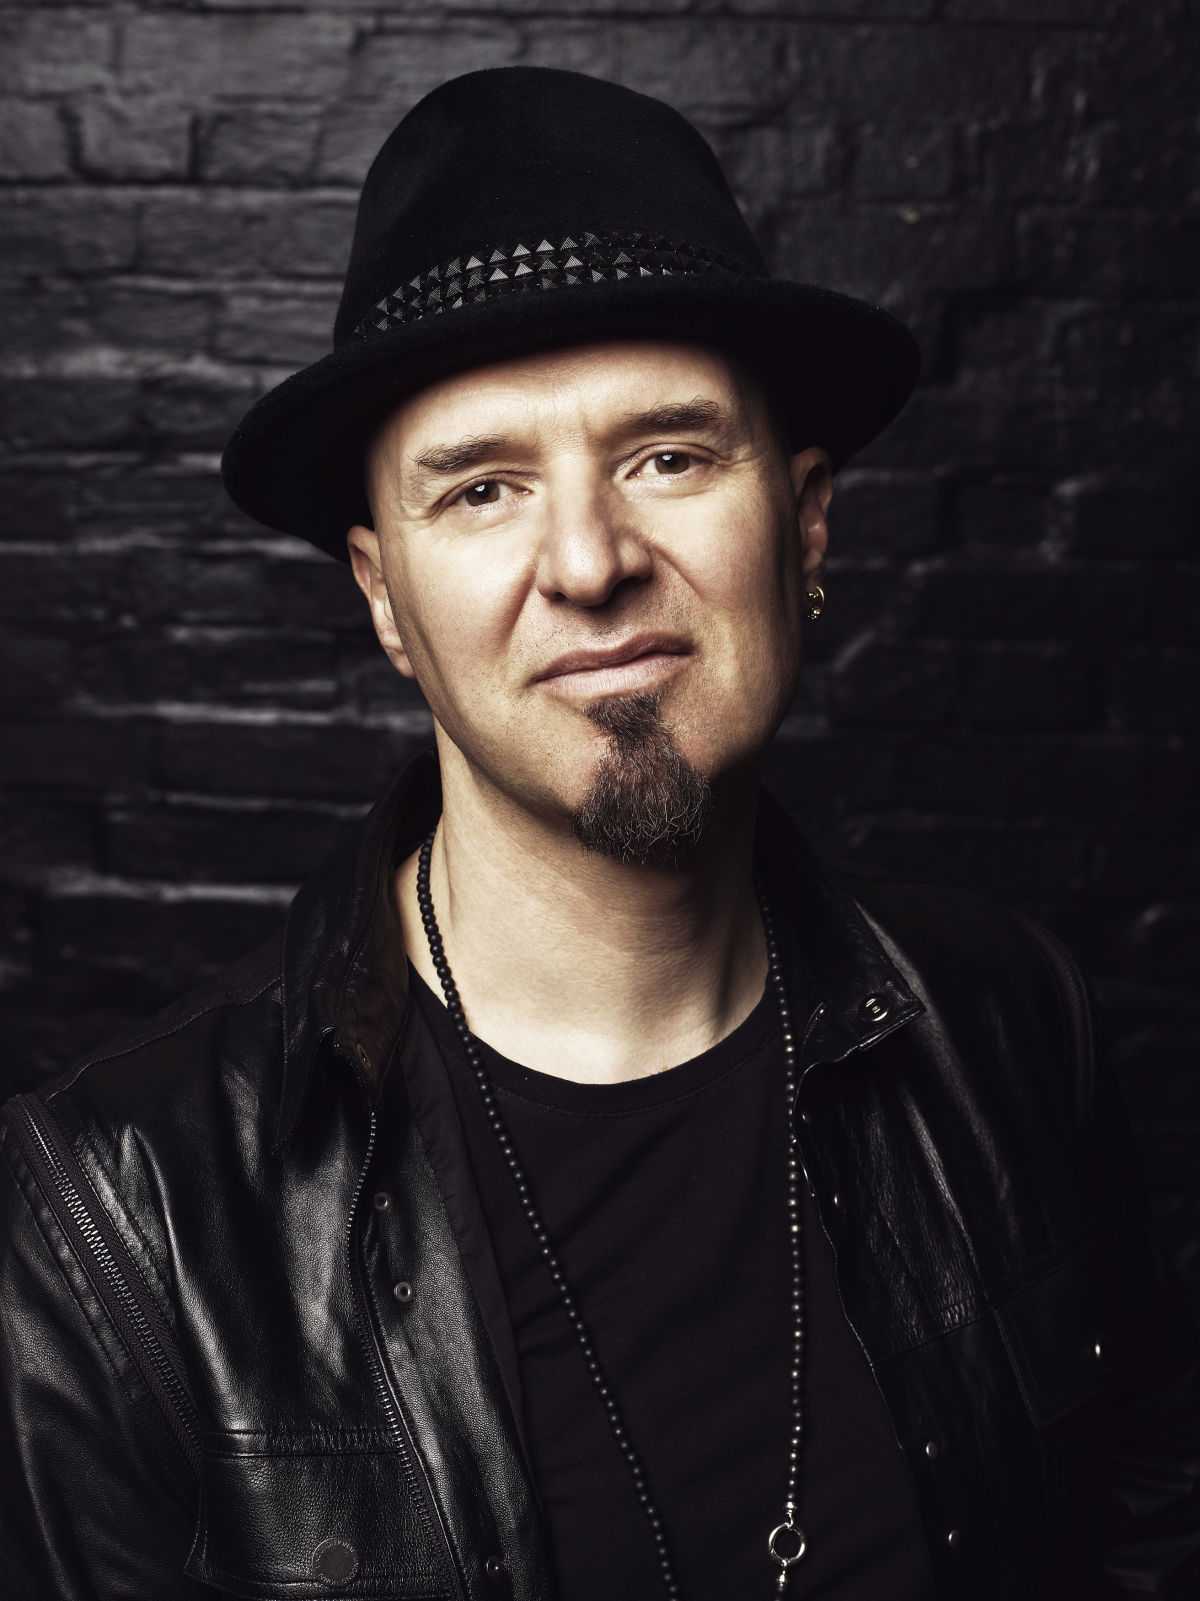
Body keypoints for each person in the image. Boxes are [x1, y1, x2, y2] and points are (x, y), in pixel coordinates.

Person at [1, 66, 1197, 1601]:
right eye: (482, 488)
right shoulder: (121, 1215)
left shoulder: (1011, 1018)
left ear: (807, 524)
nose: (587, 560)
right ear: (384, 598)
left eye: (667, 456)